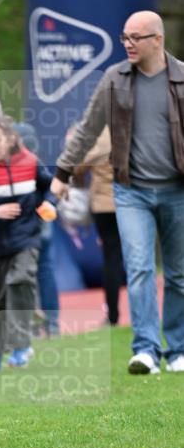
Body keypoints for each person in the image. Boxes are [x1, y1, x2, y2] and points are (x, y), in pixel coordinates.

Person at [51, 10, 184, 375]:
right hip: (131, 191)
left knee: (178, 274)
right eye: (124, 36)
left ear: (157, 40)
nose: (127, 43)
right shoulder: (114, 79)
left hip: (177, 191)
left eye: (135, 37)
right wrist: (62, 172)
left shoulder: (182, 78)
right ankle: (144, 349)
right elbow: (87, 128)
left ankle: (178, 350)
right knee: (139, 268)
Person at [0, 93, 60, 337]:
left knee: (26, 273)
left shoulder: (14, 144)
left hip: (30, 221)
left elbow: (42, 178)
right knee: (35, 272)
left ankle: (38, 321)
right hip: (8, 226)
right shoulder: (15, 137)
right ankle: (46, 323)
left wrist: (47, 202)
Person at [72, 126, 126, 326]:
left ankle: (113, 315)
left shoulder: (97, 136)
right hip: (133, 202)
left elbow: (78, 167)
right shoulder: (132, 128)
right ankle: (145, 313)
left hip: (103, 205)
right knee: (139, 258)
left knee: (111, 259)